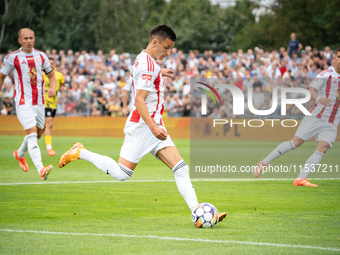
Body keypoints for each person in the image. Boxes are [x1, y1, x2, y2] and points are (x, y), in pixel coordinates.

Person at [58, 24, 226, 222]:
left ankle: (197, 211)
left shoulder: (144, 60)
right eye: (166, 47)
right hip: (144, 126)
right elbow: (139, 100)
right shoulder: (148, 65)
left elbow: (134, 73)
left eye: (171, 48)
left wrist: (157, 72)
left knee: (180, 168)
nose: (168, 52)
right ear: (155, 42)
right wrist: (154, 126)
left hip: (153, 125)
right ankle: (80, 152)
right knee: (122, 173)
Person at [254, 47, 340, 186]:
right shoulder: (326, 74)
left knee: (322, 148)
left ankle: (300, 178)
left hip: (332, 121)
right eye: (339, 57)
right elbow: (311, 90)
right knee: (296, 142)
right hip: (316, 116)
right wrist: (319, 99)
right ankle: (264, 162)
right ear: (335, 58)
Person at [0, 28, 56, 180]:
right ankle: (41, 169)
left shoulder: (41, 56)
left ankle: (20, 154)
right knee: (32, 134)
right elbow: (1, 76)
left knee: (38, 133)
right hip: (23, 102)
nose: (29, 41)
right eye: (25, 38)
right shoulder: (12, 57)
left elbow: (51, 75)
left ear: (34, 39)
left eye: (31, 38)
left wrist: (52, 88)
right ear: (19, 41)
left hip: (39, 102)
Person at [43, 57, 64, 156]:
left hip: (54, 104)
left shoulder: (59, 75)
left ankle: (30, 145)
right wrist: (46, 90)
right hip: (44, 101)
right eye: (49, 63)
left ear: (55, 64)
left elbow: (62, 86)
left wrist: (64, 90)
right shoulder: (42, 74)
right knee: (49, 124)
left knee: (43, 126)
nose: (51, 65)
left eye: (52, 63)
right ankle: (49, 147)